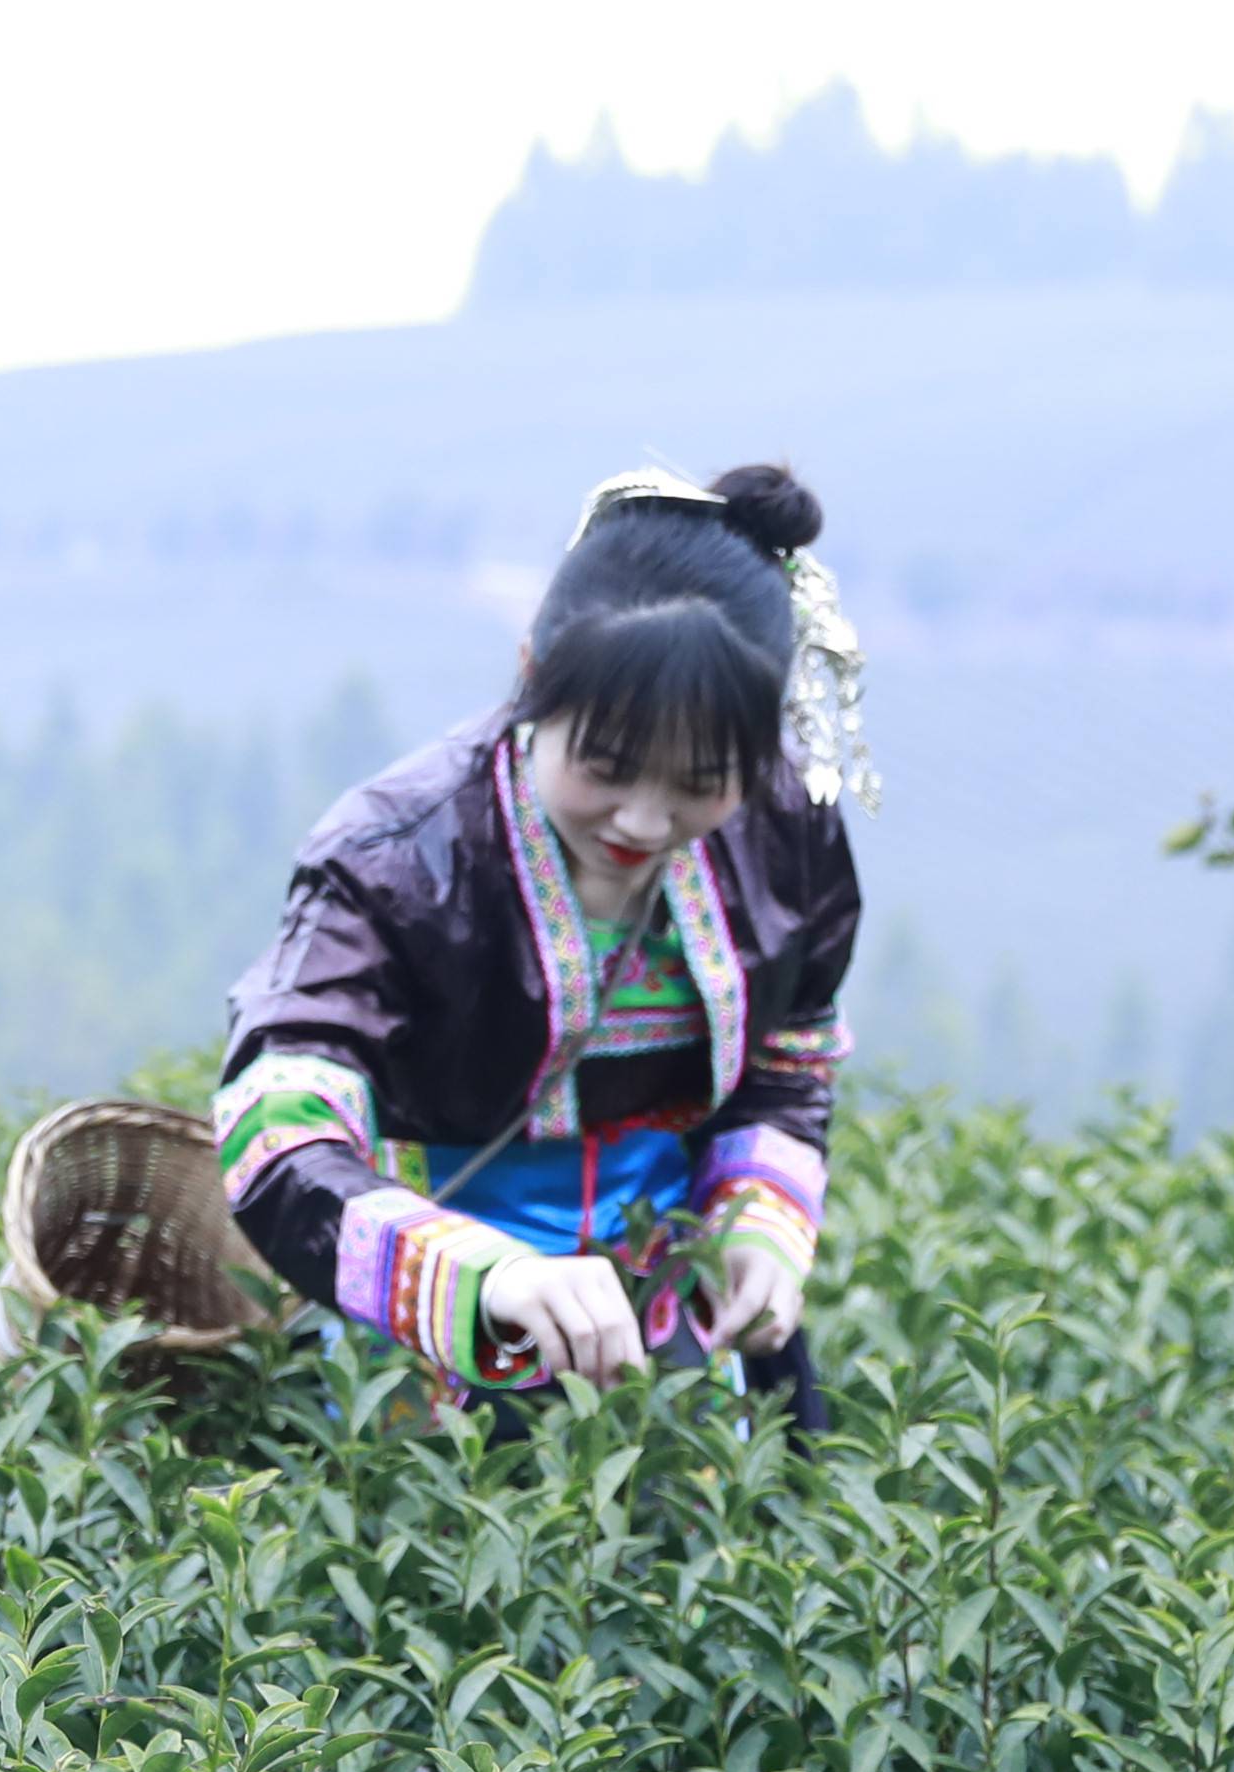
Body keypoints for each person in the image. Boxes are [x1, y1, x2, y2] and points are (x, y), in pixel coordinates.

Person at [213, 462, 867, 1423]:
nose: (643, 820)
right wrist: (483, 1277)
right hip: (431, 1303)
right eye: (605, 766)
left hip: (674, 1293)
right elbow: (277, 1129)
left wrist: (760, 1222)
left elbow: (789, 1053)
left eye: (700, 783)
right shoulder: (398, 855)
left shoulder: (785, 826)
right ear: (532, 679)